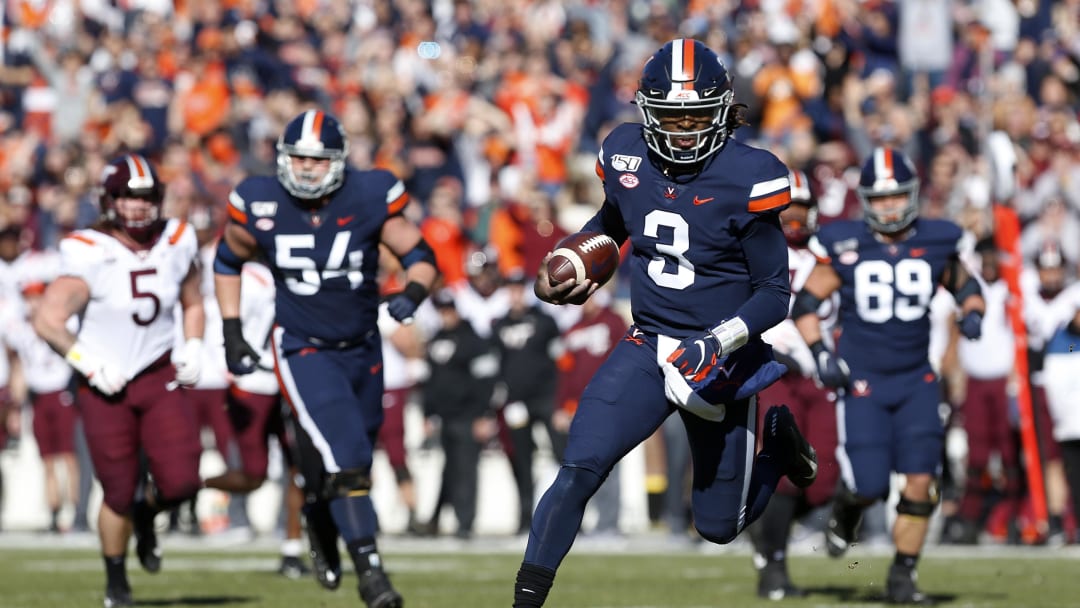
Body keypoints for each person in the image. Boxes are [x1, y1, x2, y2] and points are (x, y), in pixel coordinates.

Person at [512, 38, 817, 607]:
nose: (682, 131)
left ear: (723, 113)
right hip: (648, 345)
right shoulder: (626, 154)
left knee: (718, 527)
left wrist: (718, 340)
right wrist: (570, 264)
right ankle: (525, 602)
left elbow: (776, 294)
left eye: (697, 116)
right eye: (671, 117)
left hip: (721, 359)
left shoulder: (749, 174)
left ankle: (775, 444)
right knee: (580, 466)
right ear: (646, 112)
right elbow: (610, 225)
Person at [213, 109, 437, 608]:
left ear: (337, 162)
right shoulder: (260, 200)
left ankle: (317, 514)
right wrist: (231, 330)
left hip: (363, 347)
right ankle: (373, 575)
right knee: (350, 458)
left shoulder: (369, 193)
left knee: (354, 456)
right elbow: (227, 260)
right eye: (298, 159)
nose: (307, 169)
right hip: (302, 346)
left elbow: (421, 255)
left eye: (317, 160)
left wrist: (413, 293)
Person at [793, 147, 986, 604]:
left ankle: (903, 577)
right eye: (879, 200)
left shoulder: (939, 238)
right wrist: (821, 353)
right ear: (865, 201)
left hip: (917, 379)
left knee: (921, 481)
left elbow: (967, 285)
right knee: (871, 484)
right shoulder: (844, 242)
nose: (889, 207)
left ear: (912, 195)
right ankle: (848, 504)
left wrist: (972, 312)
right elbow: (805, 305)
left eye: (896, 196)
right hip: (864, 382)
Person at [32, 153, 206, 608]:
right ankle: (116, 583)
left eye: (146, 197)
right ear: (110, 201)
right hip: (105, 385)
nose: (137, 206)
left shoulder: (177, 238)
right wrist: (87, 363)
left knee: (184, 481)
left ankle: (149, 518)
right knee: (117, 489)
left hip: (158, 373)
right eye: (128, 196)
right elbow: (48, 319)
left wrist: (194, 344)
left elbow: (192, 300)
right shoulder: (89, 250)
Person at [750, 168, 840, 599]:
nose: (793, 219)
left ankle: (761, 531)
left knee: (823, 479)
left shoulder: (830, 255)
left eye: (800, 209)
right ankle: (774, 566)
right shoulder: (755, 248)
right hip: (773, 367)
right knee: (785, 468)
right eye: (787, 210)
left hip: (818, 373)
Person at [201, 259, 311, 577]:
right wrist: (231, 369)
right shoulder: (252, 278)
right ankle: (190, 487)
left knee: (299, 468)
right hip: (254, 382)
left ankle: (291, 550)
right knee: (254, 475)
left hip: (291, 382)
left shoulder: (306, 271)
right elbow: (223, 323)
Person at [418, 289, 499, 538]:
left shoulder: (473, 339)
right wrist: (428, 413)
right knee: (449, 470)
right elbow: (430, 380)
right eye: (441, 311)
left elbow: (485, 380)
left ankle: (465, 522)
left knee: (466, 470)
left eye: (448, 310)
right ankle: (436, 518)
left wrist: (483, 415)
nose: (445, 315)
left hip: (468, 415)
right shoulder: (435, 339)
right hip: (444, 415)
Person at [491, 272, 563, 535]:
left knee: (562, 455)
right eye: (510, 289)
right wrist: (504, 398)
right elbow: (496, 366)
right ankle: (524, 519)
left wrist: (559, 399)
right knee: (521, 461)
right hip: (517, 402)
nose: (515, 294)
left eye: (519, 288)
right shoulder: (498, 325)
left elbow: (560, 362)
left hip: (545, 398)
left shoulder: (545, 321)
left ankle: (566, 516)